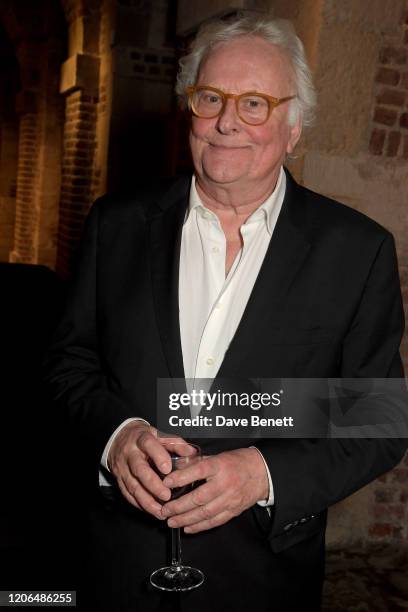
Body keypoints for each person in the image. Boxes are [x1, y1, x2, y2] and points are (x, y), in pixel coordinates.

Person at [43, 14, 407, 612]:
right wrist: (116, 434)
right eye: (210, 97)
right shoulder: (117, 225)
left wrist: (265, 473)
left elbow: (377, 417)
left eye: (256, 103)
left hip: (261, 579)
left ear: (293, 128)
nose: (227, 120)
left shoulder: (358, 251)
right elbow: (68, 363)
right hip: (113, 567)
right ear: (190, 108)